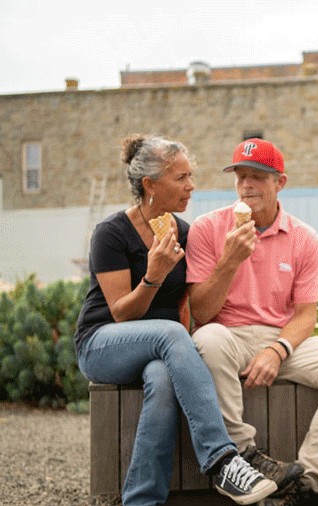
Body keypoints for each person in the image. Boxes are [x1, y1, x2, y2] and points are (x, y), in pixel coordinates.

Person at [74, 134, 277, 506]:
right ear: (150, 185)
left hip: (160, 352)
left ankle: (140, 500)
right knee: (169, 335)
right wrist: (153, 275)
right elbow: (121, 313)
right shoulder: (111, 234)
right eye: (181, 178)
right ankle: (221, 459)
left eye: (190, 175)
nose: (191, 186)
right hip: (103, 343)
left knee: (165, 377)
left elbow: (188, 307)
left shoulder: (185, 232)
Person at [186, 138, 318, 506]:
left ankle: (304, 482)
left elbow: (305, 316)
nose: (246, 186)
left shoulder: (303, 238)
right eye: (240, 177)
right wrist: (229, 261)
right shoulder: (207, 228)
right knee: (207, 339)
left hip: (283, 337)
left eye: (257, 177)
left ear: (280, 183)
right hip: (228, 335)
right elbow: (201, 313)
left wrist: (277, 349)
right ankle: (242, 456)